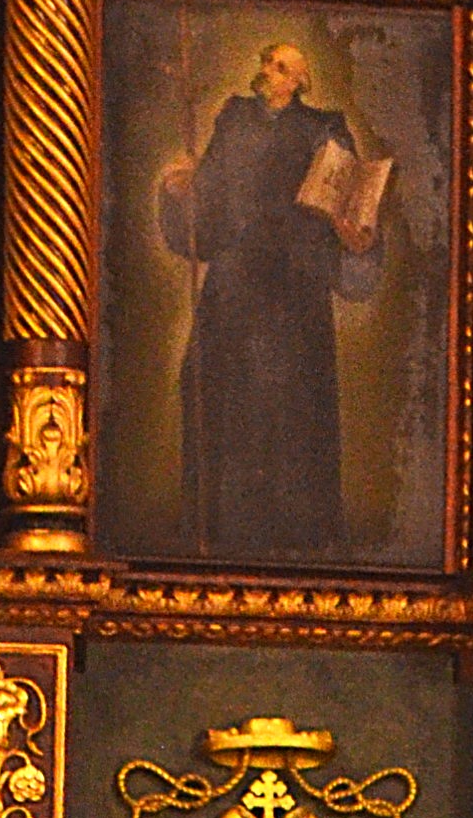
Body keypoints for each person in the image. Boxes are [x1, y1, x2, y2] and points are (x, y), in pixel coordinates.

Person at [156, 39, 374, 555]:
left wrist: (355, 236)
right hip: (234, 285)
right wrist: (182, 192)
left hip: (296, 292)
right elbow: (207, 210)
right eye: (266, 62)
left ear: (299, 82)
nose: (267, 71)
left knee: (291, 409)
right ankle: (218, 533)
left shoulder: (323, 127)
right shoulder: (234, 118)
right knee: (213, 390)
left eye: (280, 67)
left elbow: (351, 207)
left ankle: (297, 541)